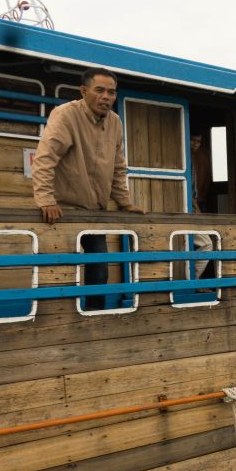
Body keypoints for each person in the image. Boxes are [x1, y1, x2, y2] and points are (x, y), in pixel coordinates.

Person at [31, 67, 145, 310]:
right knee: (59, 271)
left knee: (99, 269)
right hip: (61, 211)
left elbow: (117, 167)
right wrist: (46, 200)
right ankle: (57, 324)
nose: (106, 97)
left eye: (112, 92)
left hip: (94, 212)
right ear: (84, 91)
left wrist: (125, 202)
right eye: (100, 90)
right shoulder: (65, 115)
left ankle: (96, 318)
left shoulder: (115, 122)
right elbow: (44, 158)